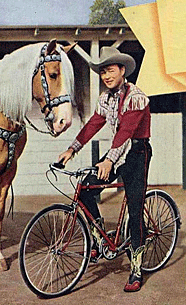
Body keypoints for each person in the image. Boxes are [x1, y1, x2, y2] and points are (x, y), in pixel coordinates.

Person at [58, 46, 152, 292]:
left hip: (137, 152)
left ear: (122, 70)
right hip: (117, 151)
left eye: (110, 71)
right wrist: (72, 148)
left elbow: (126, 133)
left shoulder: (137, 97)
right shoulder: (105, 98)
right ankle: (99, 239)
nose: (106, 76)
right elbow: (93, 125)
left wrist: (109, 160)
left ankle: (136, 269)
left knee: (135, 208)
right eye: (103, 73)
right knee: (86, 188)